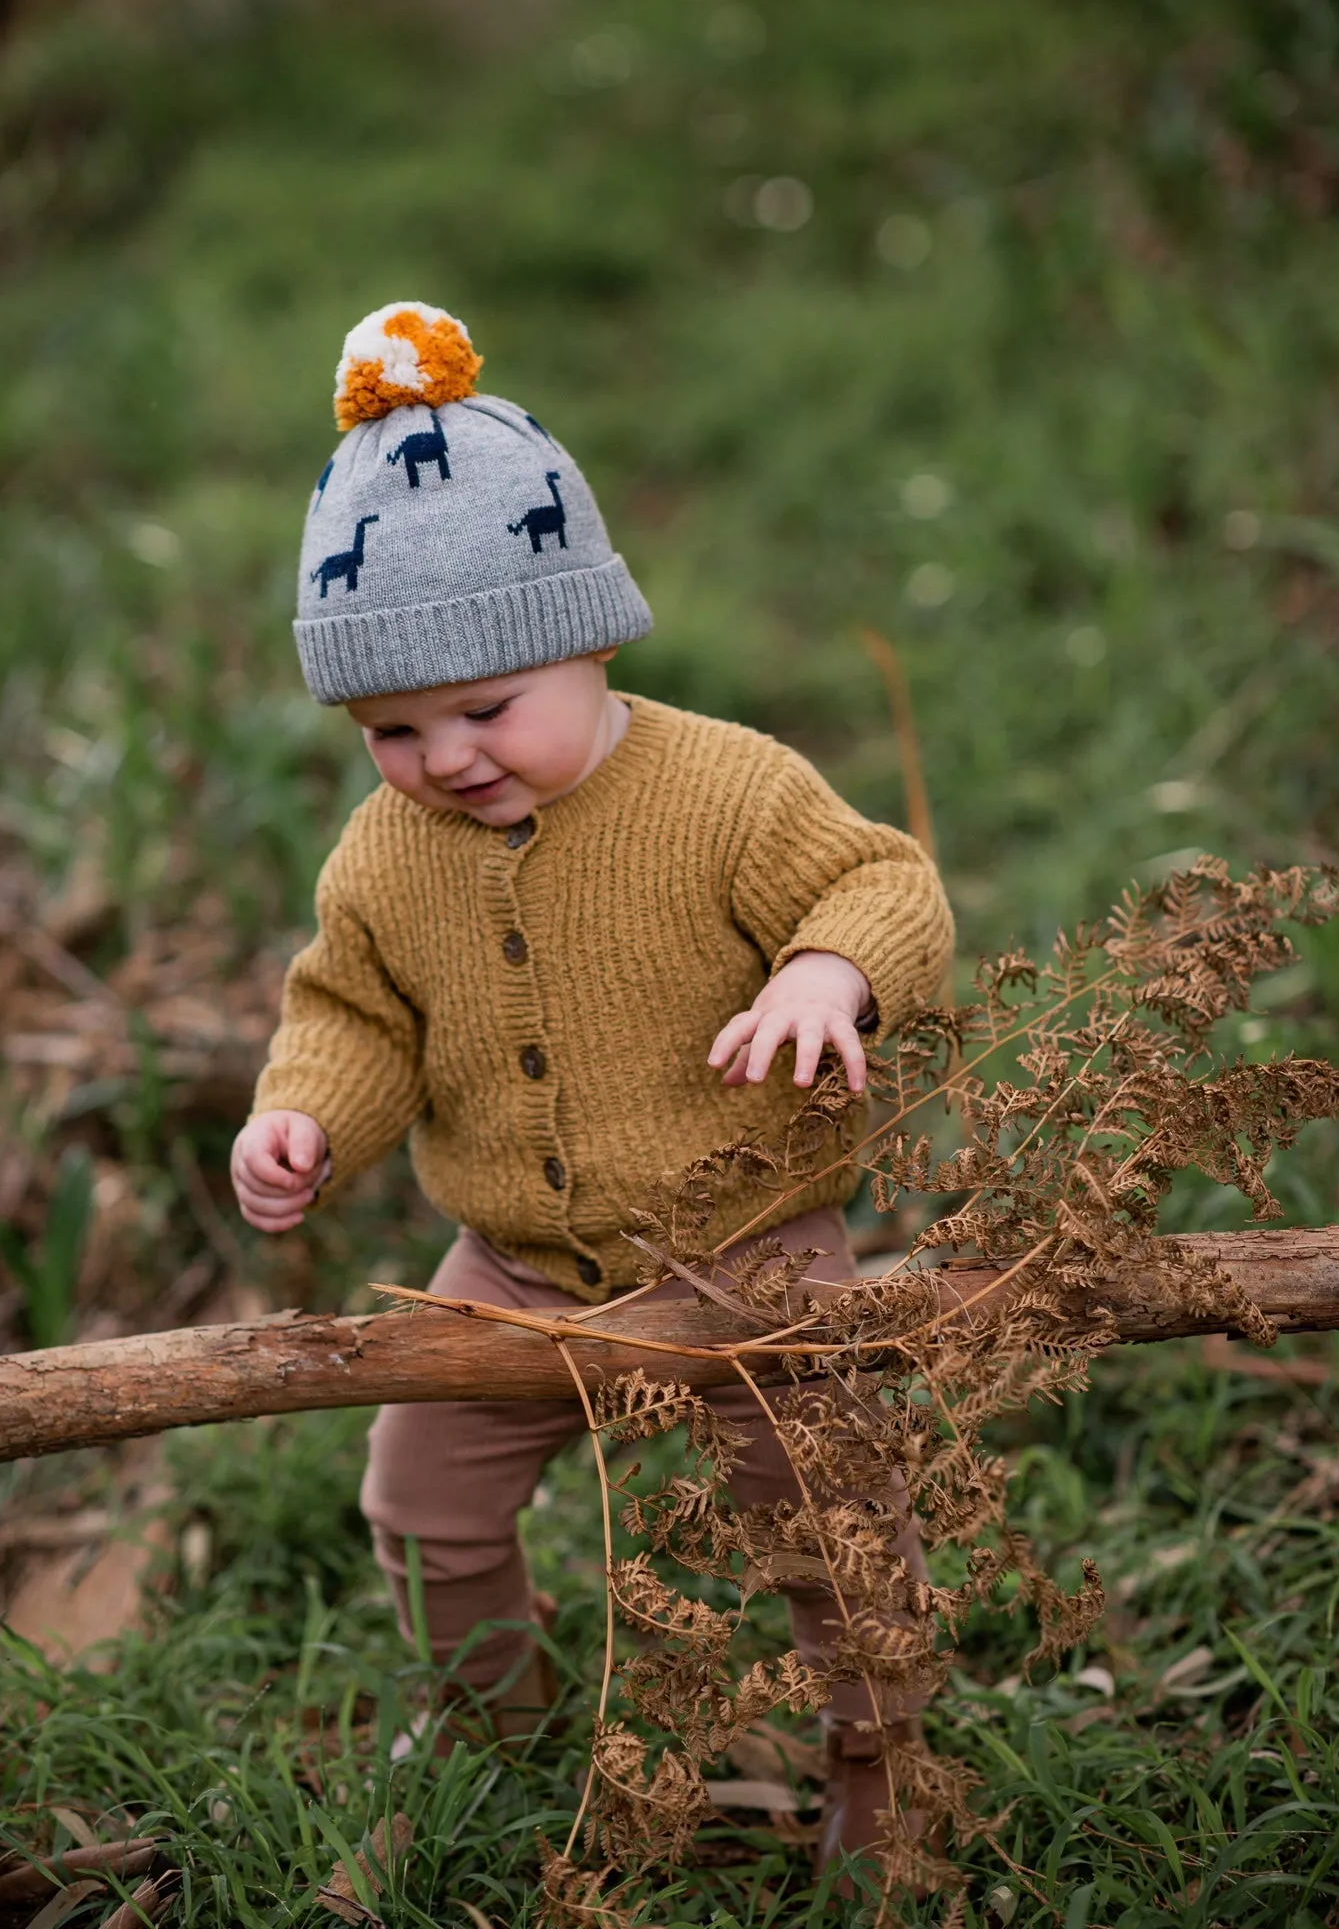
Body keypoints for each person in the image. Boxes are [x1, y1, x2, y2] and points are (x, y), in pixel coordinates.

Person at [231, 302, 954, 1877]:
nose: (448, 759)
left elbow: (882, 884)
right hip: (509, 1267)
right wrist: (308, 1114)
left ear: (595, 634)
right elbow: (354, 1012)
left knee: (828, 1514)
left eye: (487, 708)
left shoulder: (723, 789)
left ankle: (876, 1756)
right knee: (419, 1498)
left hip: (750, 1241)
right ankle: (500, 1722)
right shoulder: (384, 855)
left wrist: (825, 974)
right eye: (392, 730)